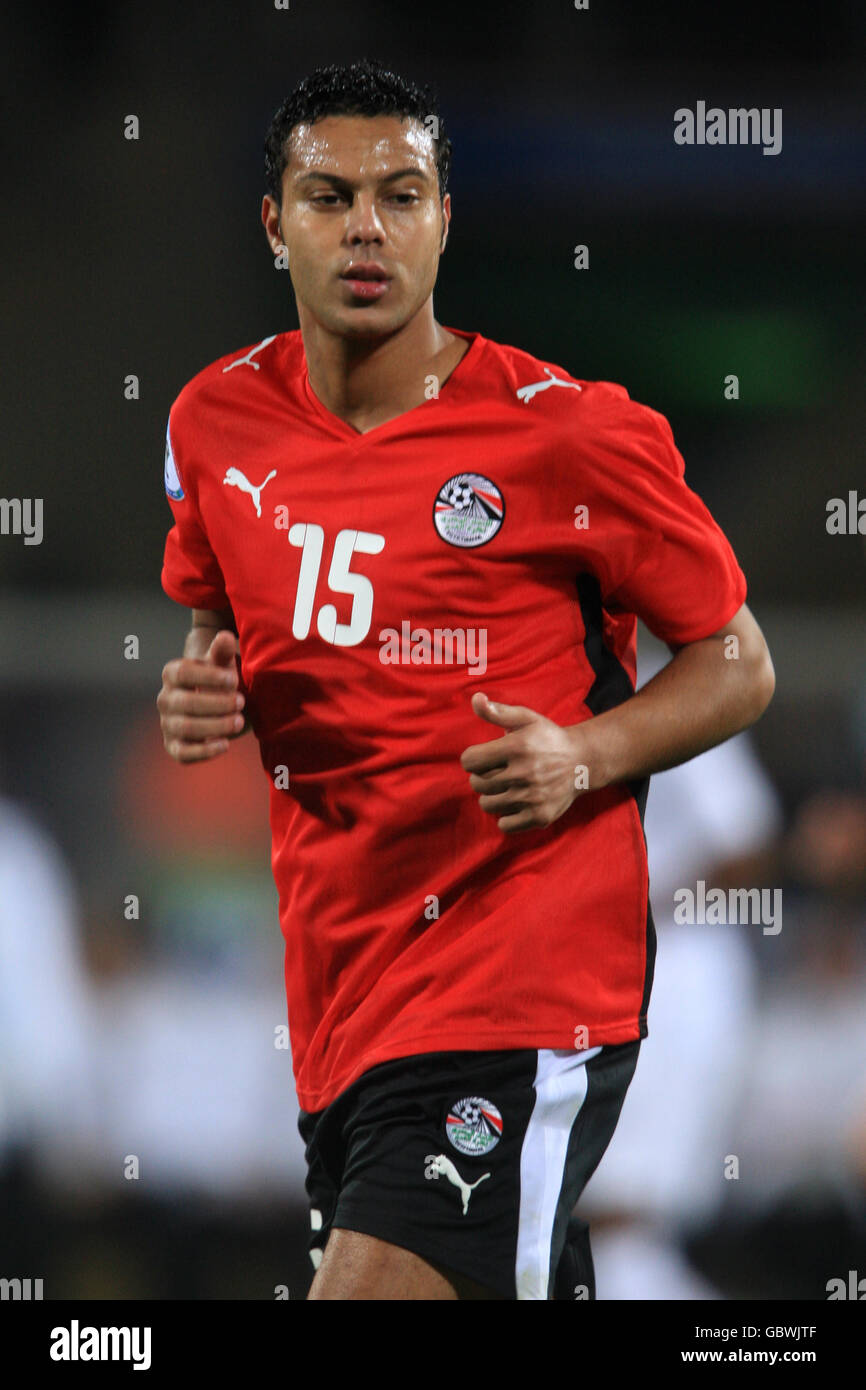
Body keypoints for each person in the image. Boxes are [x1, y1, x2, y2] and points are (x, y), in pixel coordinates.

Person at [156, 58, 775, 1300]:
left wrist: (582, 754)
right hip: (342, 996)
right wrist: (195, 689)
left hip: (516, 980)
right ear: (274, 225)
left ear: (447, 218)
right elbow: (218, 623)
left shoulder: (566, 431)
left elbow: (738, 661)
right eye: (328, 197)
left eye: (402, 193)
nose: (366, 227)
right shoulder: (211, 424)